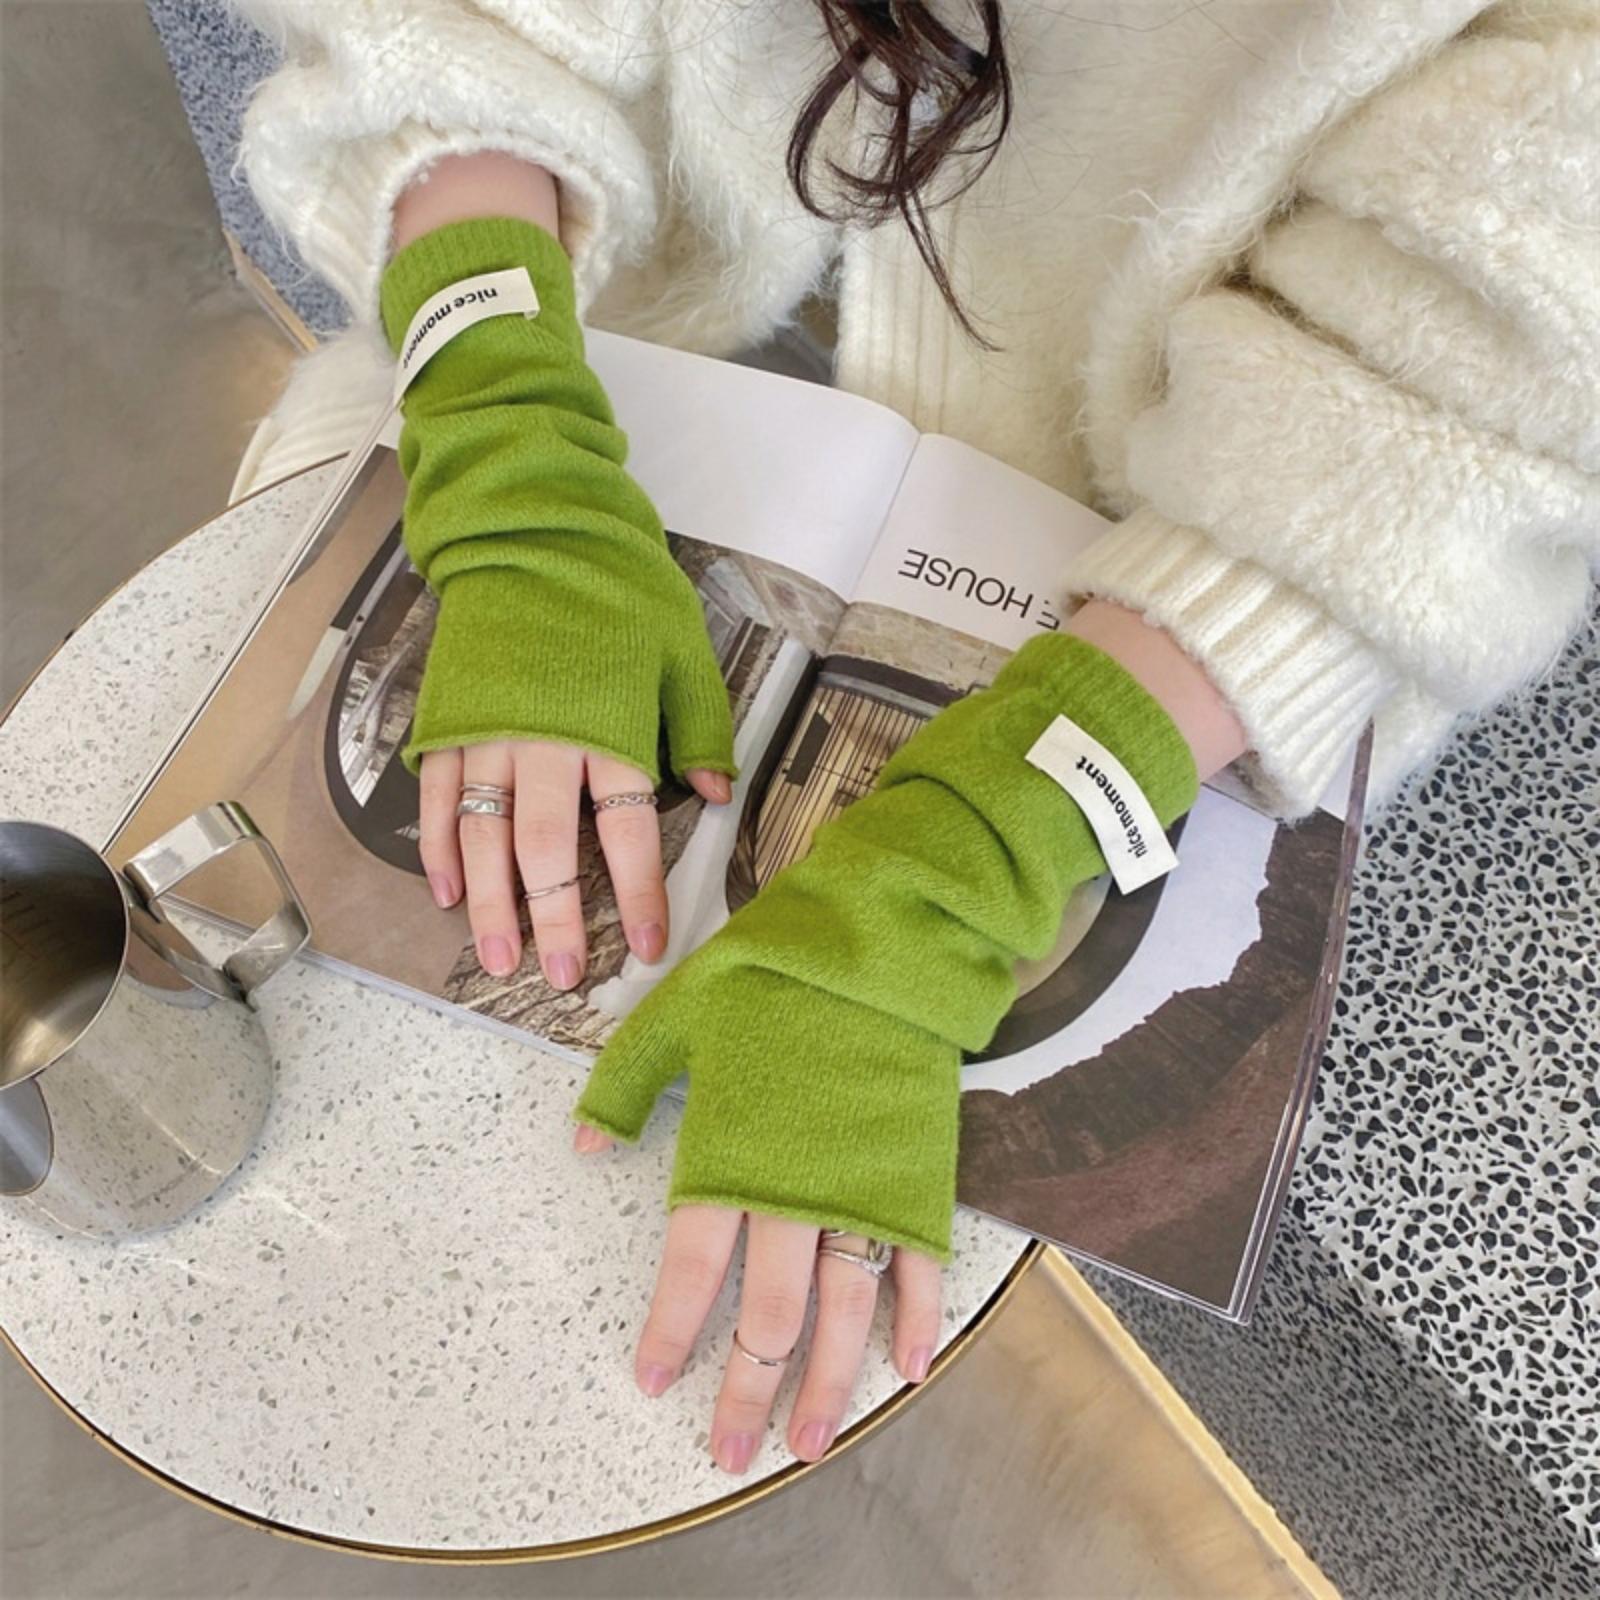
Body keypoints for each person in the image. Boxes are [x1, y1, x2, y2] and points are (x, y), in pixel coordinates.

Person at [231, 0, 1599, 1475]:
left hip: (1168, 516)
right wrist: (509, 451)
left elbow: (1482, 375)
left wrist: (977, 855)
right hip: (584, 286)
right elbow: (444, 29)